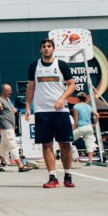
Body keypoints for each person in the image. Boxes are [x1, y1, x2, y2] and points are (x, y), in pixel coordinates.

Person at [25, 38, 77, 189]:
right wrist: (28, 106)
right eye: (44, 46)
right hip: (42, 110)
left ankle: (68, 175)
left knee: (65, 144)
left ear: (53, 49)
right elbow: (30, 87)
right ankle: (52, 177)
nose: (46, 48)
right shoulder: (34, 65)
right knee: (46, 144)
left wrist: (62, 99)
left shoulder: (61, 64)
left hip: (60, 110)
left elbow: (72, 85)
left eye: (49, 46)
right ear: (40, 49)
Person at [0, 84, 30, 172]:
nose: (11, 92)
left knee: (3, 146)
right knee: (13, 145)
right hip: (6, 126)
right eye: (9, 91)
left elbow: (13, 110)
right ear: (4, 91)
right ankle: (20, 165)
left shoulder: (8, 100)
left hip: (10, 126)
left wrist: (18, 111)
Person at [71, 92, 99, 166]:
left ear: (78, 98)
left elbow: (76, 119)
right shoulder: (89, 106)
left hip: (81, 127)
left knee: (68, 140)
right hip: (89, 127)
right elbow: (97, 115)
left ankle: (69, 158)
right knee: (89, 145)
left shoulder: (76, 106)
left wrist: (74, 128)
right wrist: (94, 124)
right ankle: (90, 161)